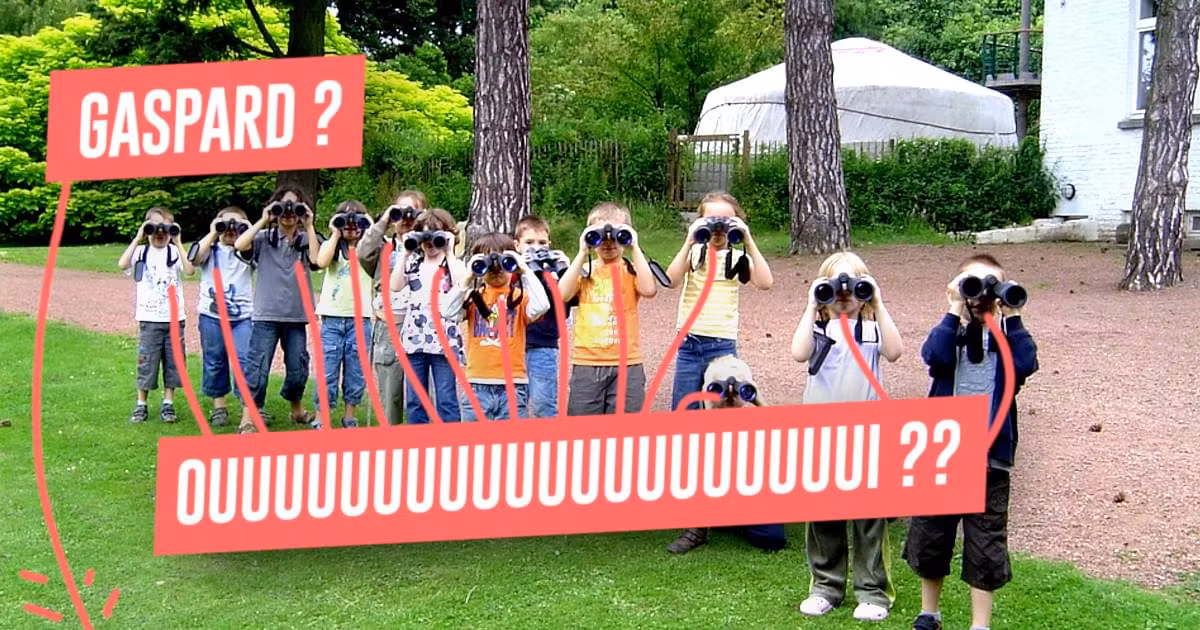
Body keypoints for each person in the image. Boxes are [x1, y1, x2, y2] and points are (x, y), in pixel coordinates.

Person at [902, 253, 1039, 630]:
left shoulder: (1008, 341)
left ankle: (980, 624)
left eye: (990, 286)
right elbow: (934, 356)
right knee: (931, 536)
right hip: (942, 456)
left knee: (985, 543)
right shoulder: (951, 333)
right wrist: (953, 309)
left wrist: (1013, 315)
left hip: (989, 460)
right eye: (972, 285)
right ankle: (929, 612)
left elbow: (1025, 364)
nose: (981, 295)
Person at [789, 251, 904, 622]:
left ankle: (873, 591)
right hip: (821, 432)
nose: (843, 293)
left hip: (866, 431)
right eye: (834, 285)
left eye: (853, 285)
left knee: (870, 516)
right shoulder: (818, 329)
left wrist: (877, 302)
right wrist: (812, 304)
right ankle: (825, 586)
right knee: (823, 514)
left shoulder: (870, 330)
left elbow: (895, 351)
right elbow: (798, 353)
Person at [665, 354, 787, 554]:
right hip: (718, 492)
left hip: (748, 493)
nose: (730, 395)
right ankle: (700, 528)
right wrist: (709, 405)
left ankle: (732, 520)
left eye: (740, 387)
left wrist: (757, 399)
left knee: (772, 538)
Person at [664, 192, 773, 411]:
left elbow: (765, 282)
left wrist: (748, 240)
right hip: (689, 343)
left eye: (726, 221)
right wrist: (689, 240)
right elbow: (671, 280)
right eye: (711, 220)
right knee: (684, 408)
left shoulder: (738, 258)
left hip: (722, 344)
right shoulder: (694, 253)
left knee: (725, 406)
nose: (718, 228)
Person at [233, 185, 323, 434]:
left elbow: (317, 260)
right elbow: (240, 245)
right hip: (266, 314)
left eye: (295, 207)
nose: (289, 213)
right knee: (258, 366)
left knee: (298, 367)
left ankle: (297, 410)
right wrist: (264, 219)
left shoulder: (307, 240)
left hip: (297, 314)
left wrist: (309, 225)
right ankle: (248, 417)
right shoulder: (263, 238)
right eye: (283, 207)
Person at [558, 202, 658, 416]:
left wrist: (635, 247)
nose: (608, 241)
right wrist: (582, 252)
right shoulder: (584, 271)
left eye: (617, 235)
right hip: (587, 362)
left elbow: (649, 290)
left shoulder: (631, 270)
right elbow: (562, 295)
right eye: (600, 235)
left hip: (627, 363)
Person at [440, 232, 550, 420]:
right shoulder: (473, 298)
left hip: (513, 385)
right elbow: (447, 311)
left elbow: (542, 305)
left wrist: (524, 268)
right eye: (487, 263)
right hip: (477, 385)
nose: (495, 268)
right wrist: (468, 276)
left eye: (503, 261)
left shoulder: (520, 298)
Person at [117, 207, 195, 424]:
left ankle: (168, 402)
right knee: (146, 362)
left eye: (166, 228)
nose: (160, 233)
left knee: (174, 363)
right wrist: (138, 237)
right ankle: (141, 404)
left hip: (174, 319)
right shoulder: (141, 252)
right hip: (149, 319)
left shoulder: (174, 252)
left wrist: (178, 241)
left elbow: (190, 270)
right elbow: (122, 264)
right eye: (155, 227)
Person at [388, 208, 465, 424]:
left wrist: (449, 251)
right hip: (415, 339)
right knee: (415, 399)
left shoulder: (453, 265)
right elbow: (395, 286)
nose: (430, 242)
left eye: (435, 234)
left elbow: (461, 283)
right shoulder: (413, 264)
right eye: (424, 235)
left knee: (446, 398)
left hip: (444, 341)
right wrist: (405, 252)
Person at [358, 190, 426, 425]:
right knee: (391, 396)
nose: (406, 218)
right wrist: (384, 220)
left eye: (412, 212)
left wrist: (425, 224)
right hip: (389, 329)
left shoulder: (430, 246)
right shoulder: (383, 249)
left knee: (423, 396)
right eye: (400, 212)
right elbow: (363, 252)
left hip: (422, 328)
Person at [188, 206, 254, 428]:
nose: (231, 229)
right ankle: (219, 406)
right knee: (214, 360)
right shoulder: (211, 249)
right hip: (211, 315)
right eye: (226, 224)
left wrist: (247, 231)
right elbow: (194, 259)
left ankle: (248, 409)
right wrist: (213, 232)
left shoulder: (248, 251)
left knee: (245, 361)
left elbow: (253, 251)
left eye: (237, 225)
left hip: (243, 317)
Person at [312, 200, 376, 428]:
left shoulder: (369, 249)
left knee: (356, 371)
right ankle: (321, 416)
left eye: (357, 220)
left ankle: (350, 415)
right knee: (327, 370)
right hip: (332, 318)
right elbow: (321, 261)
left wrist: (370, 227)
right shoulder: (333, 247)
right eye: (345, 220)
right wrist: (335, 233)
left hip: (361, 319)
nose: (351, 225)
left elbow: (384, 249)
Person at [513, 215, 573, 418]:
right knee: (515, 404)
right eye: (529, 243)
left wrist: (565, 270)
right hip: (514, 346)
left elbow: (565, 308)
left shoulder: (553, 273)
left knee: (544, 404)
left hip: (544, 345)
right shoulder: (512, 272)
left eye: (541, 243)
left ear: (549, 245)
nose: (535, 248)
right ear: (517, 245)